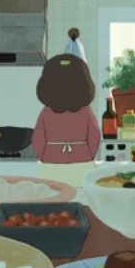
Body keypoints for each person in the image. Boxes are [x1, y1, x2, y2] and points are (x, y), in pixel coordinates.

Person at [32, 54, 100, 190]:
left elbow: (38, 140)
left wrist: (46, 157)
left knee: (52, 198)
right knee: (80, 195)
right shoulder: (86, 111)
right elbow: (94, 137)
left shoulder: (46, 112)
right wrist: (84, 155)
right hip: (82, 162)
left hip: (51, 163)